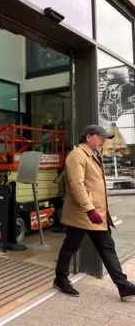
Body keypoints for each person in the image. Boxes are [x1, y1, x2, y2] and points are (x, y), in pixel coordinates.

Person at [54, 124, 135, 301]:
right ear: (89, 137)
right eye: (101, 137)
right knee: (71, 246)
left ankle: (123, 286)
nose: (103, 141)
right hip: (82, 214)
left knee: (107, 248)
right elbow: (76, 185)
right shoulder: (76, 156)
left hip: (96, 215)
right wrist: (90, 210)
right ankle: (60, 278)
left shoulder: (94, 155)